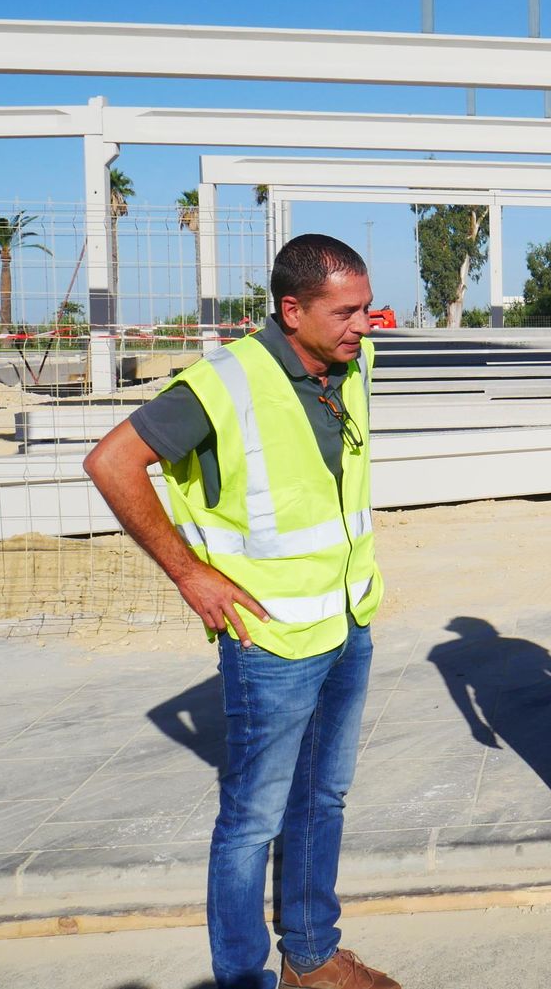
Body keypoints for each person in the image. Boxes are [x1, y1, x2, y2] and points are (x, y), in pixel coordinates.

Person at [83, 235, 397, 989]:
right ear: (292, 310)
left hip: (346, 622)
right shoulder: (222, 383)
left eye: (366, 307)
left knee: (324, 795)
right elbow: (111, 461)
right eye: (346, 311)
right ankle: (243, 978)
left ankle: (312, 954)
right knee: (252, 820)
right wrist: (190, 574)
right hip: (269, 638)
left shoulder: (354, 365)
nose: (365, 324)